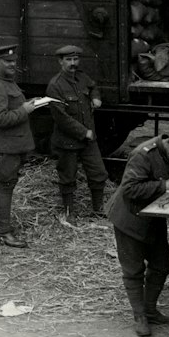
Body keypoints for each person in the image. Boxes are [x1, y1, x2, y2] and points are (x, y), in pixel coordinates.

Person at [106, 125, 169, 336]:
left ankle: (150, 310)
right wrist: (163, 186)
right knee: (133, 270)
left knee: (162, 262)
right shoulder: (142, 155)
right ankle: (140, 316)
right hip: (130, 218)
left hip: (153, 217)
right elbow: (130, 189)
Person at [0, 44, 51, 248]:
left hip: (12, 145)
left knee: (8, 187)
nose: (13, 65)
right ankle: (3, 233)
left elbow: (13, 107)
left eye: (14, 61)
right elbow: (0, 119)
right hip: (5, 147)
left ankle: (4, 229)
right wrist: (26, 110)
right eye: (7, 61)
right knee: (5, 188)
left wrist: (31, 103)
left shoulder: (6, 82)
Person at [45, 45, 108, 219]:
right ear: (60, 61)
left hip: (88, 139)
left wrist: (96, 97)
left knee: (98, 173)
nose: (73, 63)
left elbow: (93, 86)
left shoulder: (82, 77)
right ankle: (69, 213)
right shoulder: (55, 86)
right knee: (68, 177)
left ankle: (97, 209)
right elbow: (61, 118)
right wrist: (83, 132)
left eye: (75, 59)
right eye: (69, 60)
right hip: (68, 141)